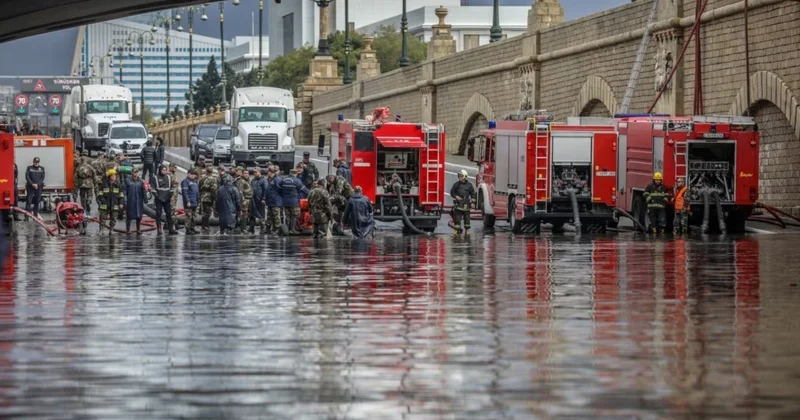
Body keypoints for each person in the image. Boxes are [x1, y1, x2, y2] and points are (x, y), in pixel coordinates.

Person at [150, 165, 178, 235]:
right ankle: (159, 230)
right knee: (158, 214)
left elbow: (171, 188)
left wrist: (168, 196)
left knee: (169, 214)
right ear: (160, 170)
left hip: (167, 199)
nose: (164, 171)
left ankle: (171, 229)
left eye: (165, 170)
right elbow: (152, 189)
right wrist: (158, 197)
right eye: (163, 170)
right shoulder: (155, 177)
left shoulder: (168, 177)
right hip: (159, 200)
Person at [280, 168, 308, 234]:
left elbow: (279, 189)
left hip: (285, 201)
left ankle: (287, 230)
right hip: (294, 202)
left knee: (287, 216)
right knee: (295, 216)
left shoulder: (283, 180)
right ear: (296, 174)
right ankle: (293, 229)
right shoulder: (297, 181)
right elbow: (305, 190)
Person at [450, 169, 476, 235]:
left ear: (464, 177)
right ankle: (456, 230)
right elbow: (452, 192)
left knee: (467, 218)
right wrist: (456, 196)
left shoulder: (469, 185)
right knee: (457, 218)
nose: (459, 177)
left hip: (466, 205)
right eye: (459, 176)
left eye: (461, 176)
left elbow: (473, 194)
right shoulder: (456, 184)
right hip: (458, 205)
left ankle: (467, 231)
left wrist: (473, 203)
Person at [99, 169, 125, 233]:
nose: (114, 177)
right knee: (103, 217)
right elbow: (100, 194)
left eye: (115, 176)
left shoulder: (118, 185)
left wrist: (121, 203)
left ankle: (111, 229)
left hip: (115, 204)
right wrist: (103, 201)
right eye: (113, 176)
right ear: (109, 176)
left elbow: (121, 195)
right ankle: (101, 229)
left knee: (113, 218)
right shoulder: (104, 184)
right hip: (105, 204)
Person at [124, 167, 146, 234]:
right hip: (130, 200)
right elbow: (124, 190)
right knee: (129, 215)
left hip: (138, 200)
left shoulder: (140, 181)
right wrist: (125, 199)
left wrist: (145, 199)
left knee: (139, 215)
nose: (136, 174)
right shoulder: (127, 180)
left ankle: (138, 229)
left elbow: (143, 190)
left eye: (137, 172)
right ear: (132, 173)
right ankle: (128, 230)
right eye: (134, 172)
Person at [234, 167, 253, 234]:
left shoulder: (248, 180)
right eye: (245, 173)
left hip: (249, 200)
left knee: (247, 214)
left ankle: (246, 228)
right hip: (244, 200)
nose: (246, 174)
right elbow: (240, 192)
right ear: (242, 174)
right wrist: (242, 200)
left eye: (247, 173)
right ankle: (243, 229)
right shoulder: (240, 181)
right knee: (244, 214)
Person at [181, 169, 200, 235]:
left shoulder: (195, 182)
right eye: (191, 174)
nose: (193, 175)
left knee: (193, 216)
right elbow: (185, 193)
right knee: (188, 216)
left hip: (194, 202)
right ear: (188, 174)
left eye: (194, 174)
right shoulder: (185, 182)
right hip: (189, 203)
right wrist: (187, 201)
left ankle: (192, 228)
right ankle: (188, 229)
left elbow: (197, 193)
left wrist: (198, 201)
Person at [265, 167, 284, 234]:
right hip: (271, 201)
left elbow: (281, 189)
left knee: (276, 216)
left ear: (270, 172)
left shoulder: (277, 179)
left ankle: (277, 229)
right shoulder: (271, 179)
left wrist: (276, 196)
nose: (267, 173)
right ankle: (268, 228)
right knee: (269, 216)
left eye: (268, 172)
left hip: (276, 201)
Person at [250, 168, 268, 234]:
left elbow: (266, 190)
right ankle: (251, 228)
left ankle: (263, 228)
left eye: (256, 172)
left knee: (261, 214)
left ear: (259, 172)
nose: (254, 173)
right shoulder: (253, 180)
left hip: (260, 200)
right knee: (252, 214)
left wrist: (264, 198)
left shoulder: (263, 180)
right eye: (254, 172)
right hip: (253, 199)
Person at [169, 163, 180, 231]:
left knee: (173, 210)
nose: (175, 168)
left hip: (175, 195)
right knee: (172, 210)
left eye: (175, 167)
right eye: (174, 167)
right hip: (171, 196)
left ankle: (170, 224)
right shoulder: (169, 175)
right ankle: (174, 225)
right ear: (170, 167)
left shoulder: (174, 174)